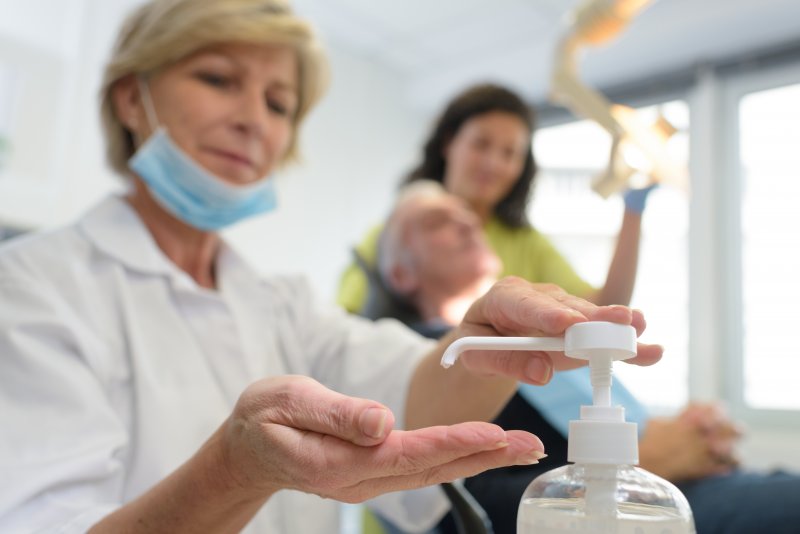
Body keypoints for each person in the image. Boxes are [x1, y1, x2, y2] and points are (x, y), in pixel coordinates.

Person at [0, 2, 663, 534]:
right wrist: (234, 472)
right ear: (131, 99)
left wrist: (482, 339)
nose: (252, 120)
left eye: (279, 103)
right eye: (217, 78)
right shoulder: (32, 288)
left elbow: (412, 398)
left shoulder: (281, 303)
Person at [371, 180, 800, 534]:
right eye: (438, 223)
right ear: (400, 273)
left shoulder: (538, 332)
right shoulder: (419, 364)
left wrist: (685, 434)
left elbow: (607, 407)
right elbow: (450, 505)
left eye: (468, 215)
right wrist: (624, 469)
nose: (467, 223)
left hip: (674, 488)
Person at [337, 83, 654, 316]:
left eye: (509, 153)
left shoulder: (525, 242)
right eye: (481, 144)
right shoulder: (391, 234)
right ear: (449, 143)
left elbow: (600, 309)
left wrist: (633, 210)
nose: (493, 164)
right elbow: (346, 329)